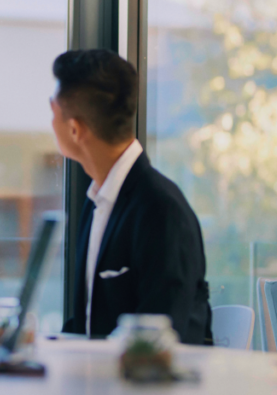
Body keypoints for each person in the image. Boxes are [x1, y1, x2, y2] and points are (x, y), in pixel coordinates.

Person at [52, 50, 212, 344]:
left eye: (53, 112)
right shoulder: (97, 201)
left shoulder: (161, 210)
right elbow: (87, 324)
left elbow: (162, 338)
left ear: (75, 129)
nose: (51, 122)